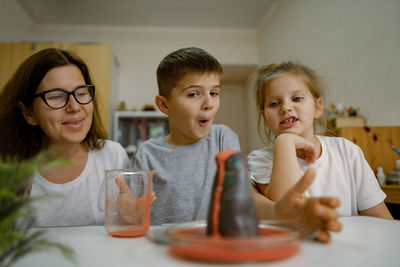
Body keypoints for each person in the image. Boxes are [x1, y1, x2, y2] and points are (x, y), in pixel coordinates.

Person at [134, 47, 341, 242]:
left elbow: (242, 199)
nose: (209, 103)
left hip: (216, 246)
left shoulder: (223, 138)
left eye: (214, 93)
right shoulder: (147, 153)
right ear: (163, 105)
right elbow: (135, 215)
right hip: (164, 249)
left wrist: (277, 212)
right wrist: (129, 211)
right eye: (193, 94)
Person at [0, 48, 131, 227]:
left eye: (81, 93)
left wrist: (134, 218)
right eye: (56, 96)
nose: (74, 107)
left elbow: (126, 231)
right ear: (28, 112)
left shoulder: (113, 156)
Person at [247, 62, 392, 220]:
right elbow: (285, 212)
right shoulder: (260, 159)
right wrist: (285, 142)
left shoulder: (347, 152)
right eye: (274, 103)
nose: (286, 107)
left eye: (297, 98)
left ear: (317, 107)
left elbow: (381, 220)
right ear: (265, 117)